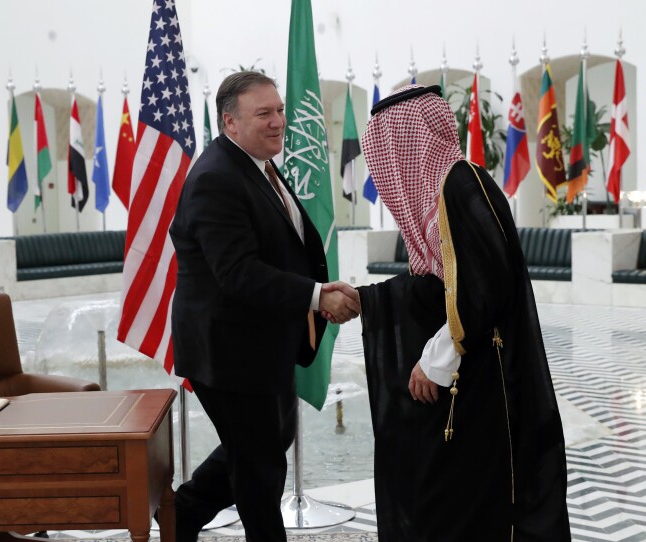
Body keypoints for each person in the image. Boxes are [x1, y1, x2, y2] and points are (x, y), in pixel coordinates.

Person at [356, 84, 570, 541]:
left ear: (406, 140)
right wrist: (364, 299)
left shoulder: (460, 182)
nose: (384, 162)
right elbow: (437, 286)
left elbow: (485, 284)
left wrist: (436, 359)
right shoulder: (445, 189)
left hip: (485, 378)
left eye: (388, 143)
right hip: (471, 376)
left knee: (472, 500)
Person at [169, 71, 360, 542]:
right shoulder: (216, 178)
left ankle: (182, 512)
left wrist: (317, 287)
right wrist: (317, 296)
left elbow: (284, 243)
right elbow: (238, 273)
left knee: (266, 445)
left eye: (280, 110)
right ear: (230, 122)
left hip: (263, 341)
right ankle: (186, 515)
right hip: (230, 350)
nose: (279, 122)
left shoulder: (256, 163)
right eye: (264, 114)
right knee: (260, 471)